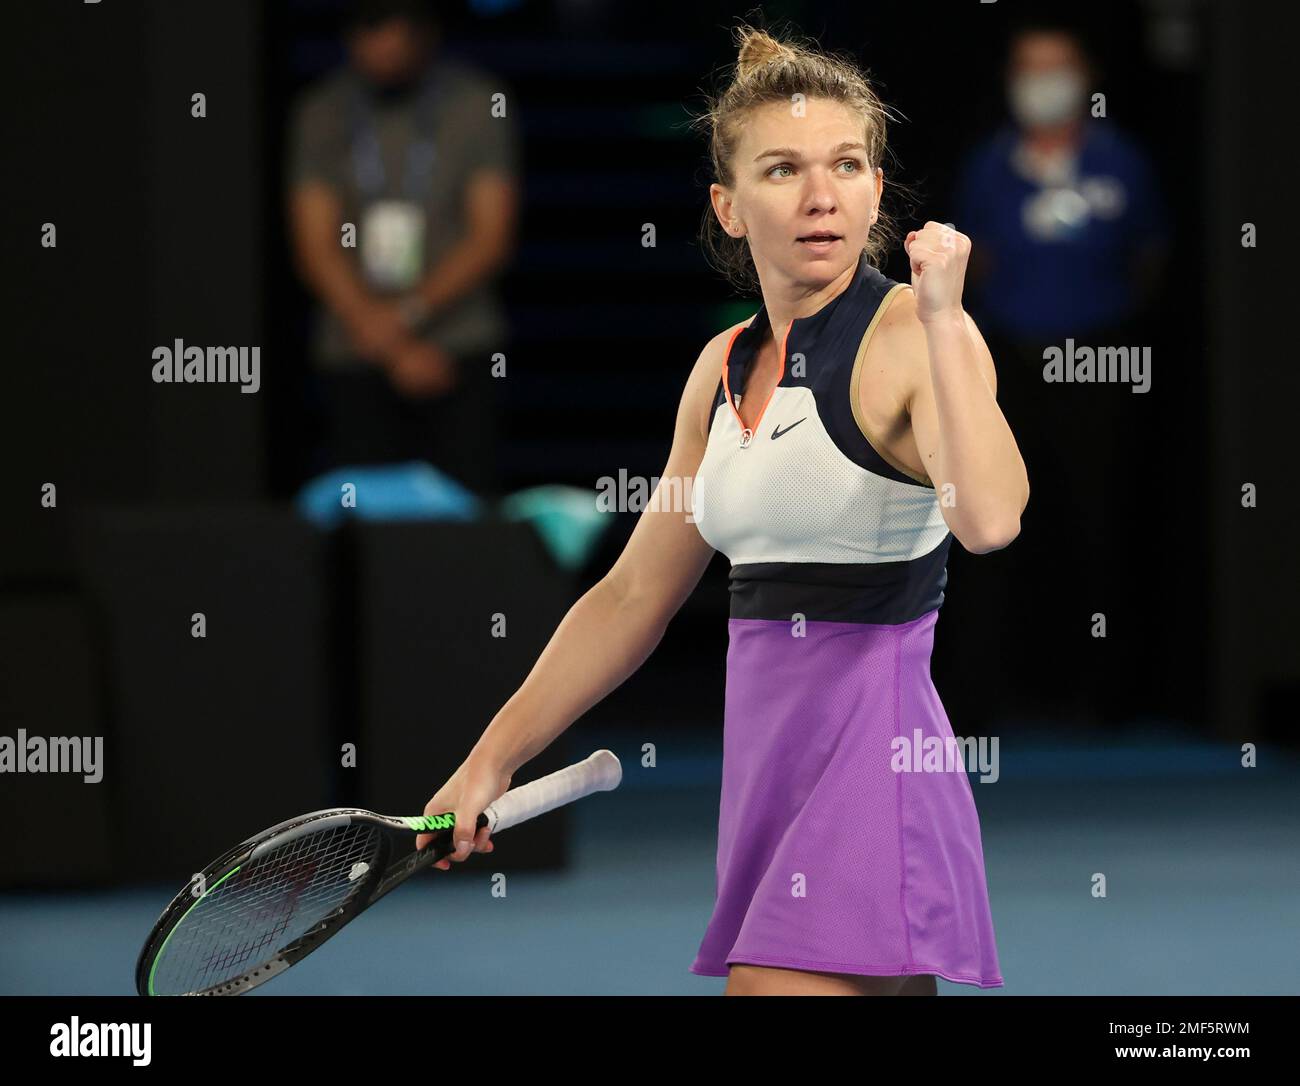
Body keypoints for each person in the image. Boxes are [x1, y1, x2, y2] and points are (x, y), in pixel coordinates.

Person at [414, 25, 1028, 996]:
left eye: (846, 165)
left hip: (875, 761)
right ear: (727, 207)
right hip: (768, 775)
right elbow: (629, 600)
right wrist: (486, 763)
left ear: (877, 189)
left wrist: (950, 320)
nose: (821, 196)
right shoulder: (720, 367)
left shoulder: (916, 334)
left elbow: (989, 519)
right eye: (782, 170)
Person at [950, 22, 1168, 726]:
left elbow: (1149, 258)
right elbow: (970, 263)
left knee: (1104, 526)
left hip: (1101, 366)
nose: (1043, 81)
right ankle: (981, 700)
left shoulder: (1122, 160)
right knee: (991, 530)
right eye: (1028, 67)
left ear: (1086, 76)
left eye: (1057, 66)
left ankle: (1115, 701)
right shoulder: (987, 166)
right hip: (1009, 366)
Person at [287, 0, 520, 494]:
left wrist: (403, 320)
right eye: (368, 24)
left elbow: (490, 236)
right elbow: (315, 243)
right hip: (354, 350)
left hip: (456, 345)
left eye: (396, 25)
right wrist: (393, 343)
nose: (385, 43)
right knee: (363, 531)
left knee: (462, 525)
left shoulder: (478, 103)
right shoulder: (322, 111)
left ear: (426, 30)